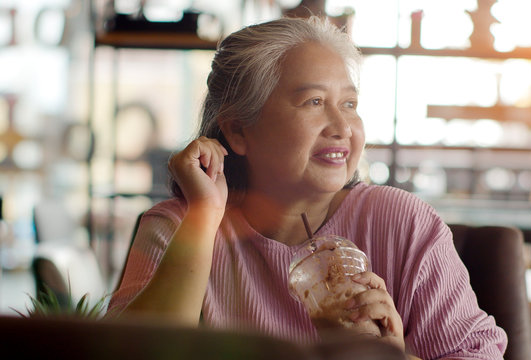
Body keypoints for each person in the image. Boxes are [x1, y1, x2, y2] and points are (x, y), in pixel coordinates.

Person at [108, 16, 507, 359]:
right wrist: (204, 216)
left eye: (349, 104)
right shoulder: (179, 225)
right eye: (314, 102)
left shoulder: (403, 222)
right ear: (238, 130)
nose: (341, 127)